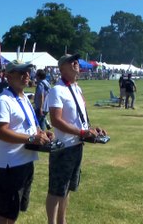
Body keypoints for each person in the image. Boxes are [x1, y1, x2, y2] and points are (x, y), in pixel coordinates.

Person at [46, 54, 107, 224]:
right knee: (56, 190)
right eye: (71, 61)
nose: (76, 63)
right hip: (63, 147)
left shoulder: (77, 88)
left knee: (67, 189)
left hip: (77, 145)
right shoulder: (57, 89)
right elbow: (56, 120)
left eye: (76, 61)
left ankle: (62, 221)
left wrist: (91, 130)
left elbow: (80, 117)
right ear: (62, 68)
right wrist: (81, 132)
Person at [0, 60, 54, 224]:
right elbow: (1, 132)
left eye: (27, 72)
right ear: (9, 76)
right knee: (4, 211)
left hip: (26, 160)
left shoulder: (24, 97)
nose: (26, 75)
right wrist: (32, 138)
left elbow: (28, 125)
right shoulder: (3, 100)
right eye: (21, 72)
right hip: (11, 164)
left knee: (14, 210)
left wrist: (41, 133)